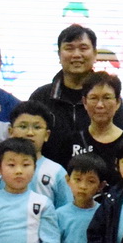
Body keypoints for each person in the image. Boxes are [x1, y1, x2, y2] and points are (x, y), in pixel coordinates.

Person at [29, 24, 102, 161]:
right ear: (59, 55)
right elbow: (27, 145)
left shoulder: (107, 99)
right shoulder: (41, 97)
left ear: (95, 54)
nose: (76, 55)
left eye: (83, 48)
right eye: (69, 48)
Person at [0, 102, 73, 209]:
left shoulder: (57, 172)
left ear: (46, 135)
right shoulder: (0, 171)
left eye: (37, 127)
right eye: (23, 126)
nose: (30, 133)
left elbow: (66, 211)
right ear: (10, 132)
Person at [69, 71, 123, 173]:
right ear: (84, 102)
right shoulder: (72, 142)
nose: (100, 105)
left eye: (107, 98)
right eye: (93, 98)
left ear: (118, 102)